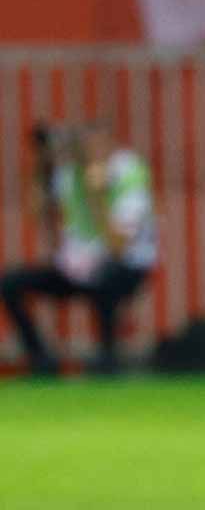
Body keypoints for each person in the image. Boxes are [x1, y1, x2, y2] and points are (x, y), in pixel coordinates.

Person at [1, 122, 156, 375]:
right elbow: (36, 212)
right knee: (9, 283)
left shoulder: (129, 172)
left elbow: (118, 246)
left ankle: (108, 359)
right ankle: (40, 357)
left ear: (109, 144)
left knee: (104, 279)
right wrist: (43, 165)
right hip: (77, 265)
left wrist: (97, 195)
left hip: (126, 264)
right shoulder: (69, 174)